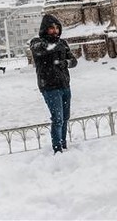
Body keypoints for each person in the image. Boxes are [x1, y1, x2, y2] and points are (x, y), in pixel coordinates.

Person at [30, 14, 78, 154]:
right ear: (45, 29)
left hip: (64, 85)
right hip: (49, 87)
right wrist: (58, 48)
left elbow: (73, 61)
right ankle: (57, 148)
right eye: (51, 28)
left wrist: (65, 62)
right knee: (57, 118)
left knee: (65, 117)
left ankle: (63, 144)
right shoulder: (36, 42)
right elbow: (45, 48)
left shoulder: (62, 44)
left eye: (57, 28)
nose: (55, 31)